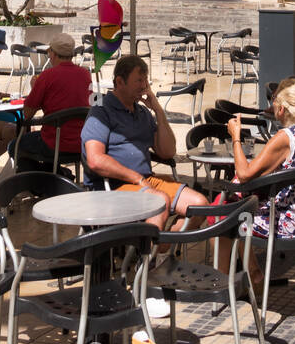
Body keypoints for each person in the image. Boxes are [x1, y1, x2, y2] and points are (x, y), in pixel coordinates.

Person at [81, 54, 208, 230]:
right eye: (139, 80)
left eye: (145, 80)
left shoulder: (143, 113)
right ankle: (150, 247)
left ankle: (159, 243)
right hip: (111, 186)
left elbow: (167, 152)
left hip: (145, 182)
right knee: (159, 202)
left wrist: (158, 110)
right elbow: (95, 160)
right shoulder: (100, 110)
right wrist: (137, 178)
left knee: (200, 205)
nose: (144, 86)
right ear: (120, 82)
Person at [226, 76, 295, 241]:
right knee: (237, 203)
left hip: (281, 222)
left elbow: (244, 174)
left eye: (273, 99)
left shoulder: (285, 137)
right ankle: (248, 258)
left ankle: (240, 258)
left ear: (281, 109)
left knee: (223, 215)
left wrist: (235, 137)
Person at [12, 34, 91, 173]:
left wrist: (34, 88)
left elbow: (27, 113)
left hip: (53, 142)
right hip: (81, 142)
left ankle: (41, 180)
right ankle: (55, 175)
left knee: (14, 146)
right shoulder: (85, 74)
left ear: (53, 54)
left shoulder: (46, 76)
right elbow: (93, 103)